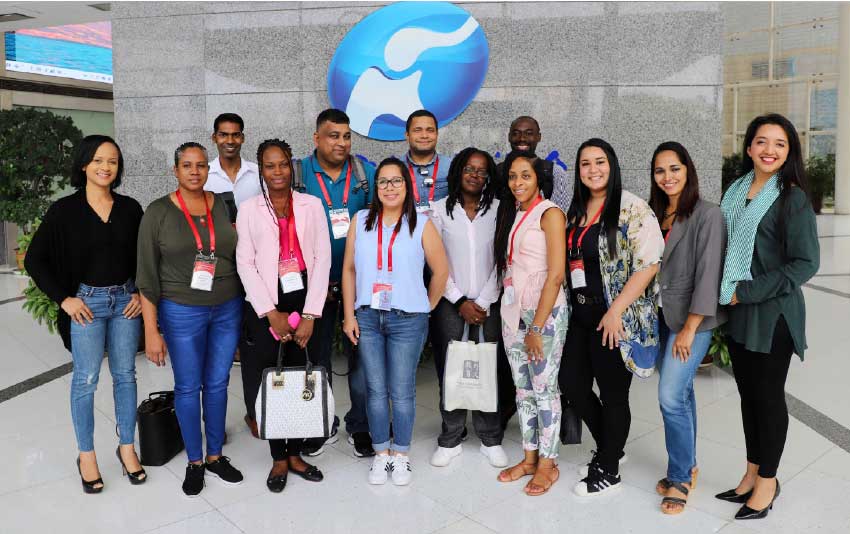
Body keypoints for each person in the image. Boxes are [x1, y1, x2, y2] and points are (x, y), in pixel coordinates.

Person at [25, 135, 145, 494]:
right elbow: (35, 259)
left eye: (112, 161)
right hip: (86, 307)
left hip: (125, 303)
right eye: (98, 160)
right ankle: (87, 454)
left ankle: (127, 447)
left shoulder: (130, 208)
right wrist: (64, 299)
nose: (106, 167)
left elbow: (144, 256)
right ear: (83, 165)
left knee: (125, 375)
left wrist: (139, 290)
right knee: (86, 378)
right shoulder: (64, 210)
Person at [714, 114, 819, 520]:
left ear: (789, 151)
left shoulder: (791, 198)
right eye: (761, 141)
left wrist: (746, 291)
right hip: (739, 313)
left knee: (769, 399)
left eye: (779, 143)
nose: (769, 150)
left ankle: (769, 482)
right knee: (748, 397)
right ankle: (752, 471)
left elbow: (805, 263)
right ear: (749, 147)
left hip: (772, 315)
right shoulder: (737, 190)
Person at [137, 142, 244, 497]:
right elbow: (147, 277)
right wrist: (152, 330)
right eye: (187, 165)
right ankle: (194, 461)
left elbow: (238, 250)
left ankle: (215, 455)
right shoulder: (158, 212)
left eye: (200, 165)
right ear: (176, 170)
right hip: (181, 310)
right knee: (187, 386)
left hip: (227, 306)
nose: (195, 171)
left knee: (217, 383)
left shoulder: (223, 203)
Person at [559, 138, 664, 497]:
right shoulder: (575, 211)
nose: (593, 169)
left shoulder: (632, 208)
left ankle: (608, 468)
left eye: (600, 162)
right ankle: (611, 445)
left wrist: (616, 310)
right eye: (585, 163)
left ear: (612, 165)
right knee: (571, 383)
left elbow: (650, 263)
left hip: (615, 318)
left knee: (613, 394)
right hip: (581, 314)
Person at [341, 157, 448, 486]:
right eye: (383, 182)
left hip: (407, 321)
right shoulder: (361, 221)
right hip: (368, 317)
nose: (389, 187)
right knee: (375, 390)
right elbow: (349, 270)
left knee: (401, 392)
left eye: (396, 181)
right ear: (376, 188)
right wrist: (348, 316)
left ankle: (401, 455)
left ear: (407, 185)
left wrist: (425, 305)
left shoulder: (422, 223)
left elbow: (441, 270)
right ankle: (380, 453)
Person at [235, 138, 332, 493]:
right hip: (266, 301)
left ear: (292, 166)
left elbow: (323, 260)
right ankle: (278, 456)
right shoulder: (248, 209)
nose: (278, 172)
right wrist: (270, 313)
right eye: (270, 166)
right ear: (261, 170)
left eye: (283, 164)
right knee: (273, 380)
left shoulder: (312, 204)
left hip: (305, 295)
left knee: (299, 375)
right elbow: (244, 262)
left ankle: (296, 453)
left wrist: (310, 314)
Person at [648, 141, 727, 514]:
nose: (668, 177)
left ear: (688, 170)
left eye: (675, 169)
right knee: (681, 395)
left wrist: (690, 328)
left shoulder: (707, 214)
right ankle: (689, 463)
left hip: (691, 322)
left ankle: (679, 476)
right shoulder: (654, 214)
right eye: (660, 170)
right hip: (662, 319)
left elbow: (708, 274)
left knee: (668, 397)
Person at [298, 109, 376, 458]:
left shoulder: (365, 173)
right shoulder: (299, 173)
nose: (342, 143)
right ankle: (320, 423)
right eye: (333, 136)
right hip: (311, 285)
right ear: (316, 138)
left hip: (357, 287)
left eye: (346, 136)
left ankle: (359, 425)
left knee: (361, 360)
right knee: (316, 360)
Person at [493, 150, 568, 497]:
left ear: (538, 177)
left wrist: (537, 328)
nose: (518, 182)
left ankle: (547, 464)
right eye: (512, 176)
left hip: (544, 315)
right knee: (522, 388)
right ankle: (528, 457)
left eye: (525, 175)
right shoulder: (515, 212)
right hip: (513, 313)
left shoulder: (550, 213)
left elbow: (555, 276)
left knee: (544, 389)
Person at [428, 147, 507, 468]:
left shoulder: (501, 210)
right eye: (469, 169)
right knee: (452, 369)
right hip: (451, 304)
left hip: (491, 302)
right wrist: (460, 300)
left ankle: (490, 438)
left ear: (489, 176)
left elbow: (503, 261)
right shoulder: (437, 211)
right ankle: (451, 437)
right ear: (458, 172)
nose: (475, 175)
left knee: (488, 368)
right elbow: (436, 263)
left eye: (481, 170)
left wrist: (484, 300)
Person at [494, 116, 572, 211]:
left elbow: (561, 214)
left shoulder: (554, 172)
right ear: (509, 137)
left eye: (529, 133)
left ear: (539, 137)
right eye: (516, 133)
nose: (522, 138)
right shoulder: (497, 171)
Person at [203, 112, 260, 217]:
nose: (230, 141)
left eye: (235, 135)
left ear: (242, 138)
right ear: (214, 138)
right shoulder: (204, 175)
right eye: (223, 135)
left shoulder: (258, 173)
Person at [399, 109, 451, 215]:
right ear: (407, 135)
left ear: (437, 134)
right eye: (417, 130)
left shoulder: (452, 166)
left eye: (430, 130)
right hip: (405, 229)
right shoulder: (395, 168)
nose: (424, 135)